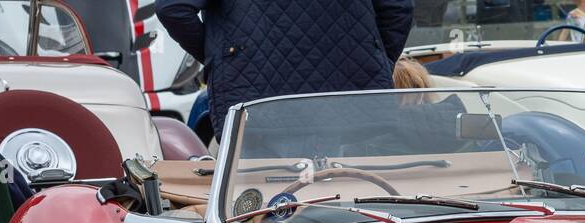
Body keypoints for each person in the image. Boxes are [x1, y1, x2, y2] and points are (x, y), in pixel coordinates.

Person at [154, 0, 414, 140]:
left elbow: (173, 8)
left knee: (263, 216)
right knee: (355, 213)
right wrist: (375, 61)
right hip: (350, 101)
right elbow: (398, 9)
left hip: (258, 104)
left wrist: (221, 59)